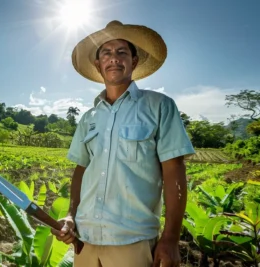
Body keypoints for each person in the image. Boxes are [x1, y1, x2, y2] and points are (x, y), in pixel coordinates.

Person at [51, 20, 195, 267]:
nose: (113, 58)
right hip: (84, 242)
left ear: (134, 61)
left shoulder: (159, 106)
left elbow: (174, 172)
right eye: (106, 53)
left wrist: (171, 238)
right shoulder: (89, 118)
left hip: (132, 242)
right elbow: (80, 171)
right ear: (98, 64)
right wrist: (71, 216)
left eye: (122, 52)